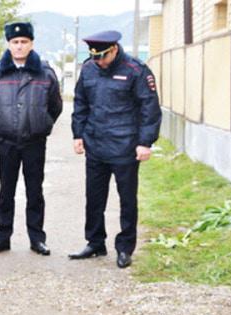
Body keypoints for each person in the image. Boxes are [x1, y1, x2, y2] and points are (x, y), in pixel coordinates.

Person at [68, 30, 161, 268]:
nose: (98, 61)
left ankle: (125, 248)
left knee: (127, 200)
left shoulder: (135, 70)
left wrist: (145, 142)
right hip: (96, 145)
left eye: (102, 57)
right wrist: (78, 134)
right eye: (94, 57)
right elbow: (80, 103)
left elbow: (149, 108)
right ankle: (95, 242)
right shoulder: (89, 69)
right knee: (94, 198)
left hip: (125, 147)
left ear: (115, 49)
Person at [0, 22, 62, 256]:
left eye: (24, 42)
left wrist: (42, 124)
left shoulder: (45, 73)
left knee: (34, 191)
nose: (19, 46)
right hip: (6, 142)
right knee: (6, 191)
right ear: (9, 44)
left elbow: (55, 106)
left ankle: (37, 238)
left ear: (31, 44)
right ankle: (2, 237)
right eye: (15, 42)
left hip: (34, 142)